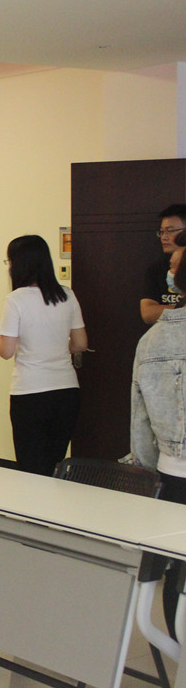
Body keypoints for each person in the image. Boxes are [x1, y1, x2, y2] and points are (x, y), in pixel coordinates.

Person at [131, 231, 186, 639]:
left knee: (178, 573)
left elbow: (140, 422)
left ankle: (180, 654)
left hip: (173, 472)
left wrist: (150, 472)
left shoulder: (152, 341)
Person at [0, 234, 87, 476]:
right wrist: (57, 348)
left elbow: (5, 351)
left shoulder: (15, 299)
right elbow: (80, 343)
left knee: (31, 467)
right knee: (54, 464)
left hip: (30, 392)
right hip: (66, 391)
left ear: (18, 265)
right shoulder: (67, 294)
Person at [140, 204, 186, 324]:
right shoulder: (156, 269)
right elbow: (148, 313)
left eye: (170, 231)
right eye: (162, 232)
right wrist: (182, 310)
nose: (164, 237)